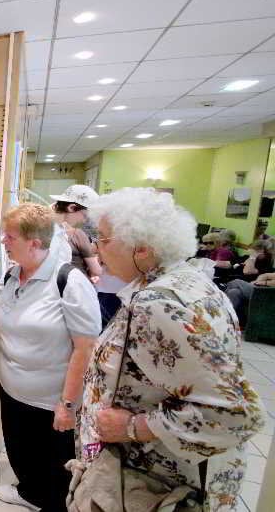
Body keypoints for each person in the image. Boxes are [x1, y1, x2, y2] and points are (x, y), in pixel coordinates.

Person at [79, 188, 264, 511]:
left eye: (104, 240)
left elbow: (237, 413)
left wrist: (134, 427)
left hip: (160, 488)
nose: (96, 248)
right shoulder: (189, 281)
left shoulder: (158, 303)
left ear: (142, 249)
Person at [0, 203, 101, 512]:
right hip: (13, 390)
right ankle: (29, 494)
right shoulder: (12, 275)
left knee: (55, 469)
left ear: (35, 243)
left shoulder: (69, 281)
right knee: (21, 453)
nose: (3, 242)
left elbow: (85, 348)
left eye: (10, 237)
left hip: (52, 400)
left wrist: (67, 405)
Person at [50, 184, 102, 283]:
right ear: (72, 208)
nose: (83, 221)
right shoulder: (53, 231)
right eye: (85, 216)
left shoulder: (60, 229)